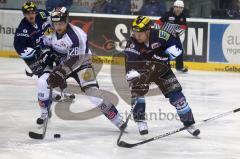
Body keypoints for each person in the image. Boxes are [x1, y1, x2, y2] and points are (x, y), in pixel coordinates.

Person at [43, 7, 126, 130]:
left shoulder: (77, 36)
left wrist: (60, 73)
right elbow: (44, 43)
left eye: (61, 24)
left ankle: (117, 120)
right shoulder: (48, 28)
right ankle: (46, 109)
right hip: (62, 63)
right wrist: (47, 55)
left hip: (82, 64)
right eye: (55, 24)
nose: (58, 27)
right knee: (44, 81)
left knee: (94, 96)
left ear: (67, 21)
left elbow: (77, 60)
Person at [124, 16, 200, 136]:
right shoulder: (132, 43)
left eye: (140, 33)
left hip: (162, 70)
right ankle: (140, 120)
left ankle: (189, 123)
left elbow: (177, 47)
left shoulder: (161, 35)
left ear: (148, 30)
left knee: (177, 97)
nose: (136, 36)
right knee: (137, 90)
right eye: (135, 32)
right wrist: (135, 76)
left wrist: (166, 55)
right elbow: (130, 64)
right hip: (143, 72)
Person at [13, 2, 58, 125]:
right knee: (42, 78)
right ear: (24, 14)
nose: (31, 15)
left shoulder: (42, 14)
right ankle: (44, 111)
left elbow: (54, 18)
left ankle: (52, 91)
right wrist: (36, 60)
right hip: (32, 54)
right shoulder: (23, 29)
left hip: (47, 46)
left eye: (33, 12)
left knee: (56, 69)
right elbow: (19, 47)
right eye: (28, 13)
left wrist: (52, 31)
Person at [155, 0, 188, 73]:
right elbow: (157, 23)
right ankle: (166, 66)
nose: (178, 9)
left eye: (180, 8)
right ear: (173, 7)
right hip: (164, 35)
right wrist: (158, 31)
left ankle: (179, 67)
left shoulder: (183, 16)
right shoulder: (167, 14)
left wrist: (176, 33)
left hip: (175, 36)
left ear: (183, 9)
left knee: (180, 50)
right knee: (165, 49)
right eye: (177, 7)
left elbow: (183, 28)